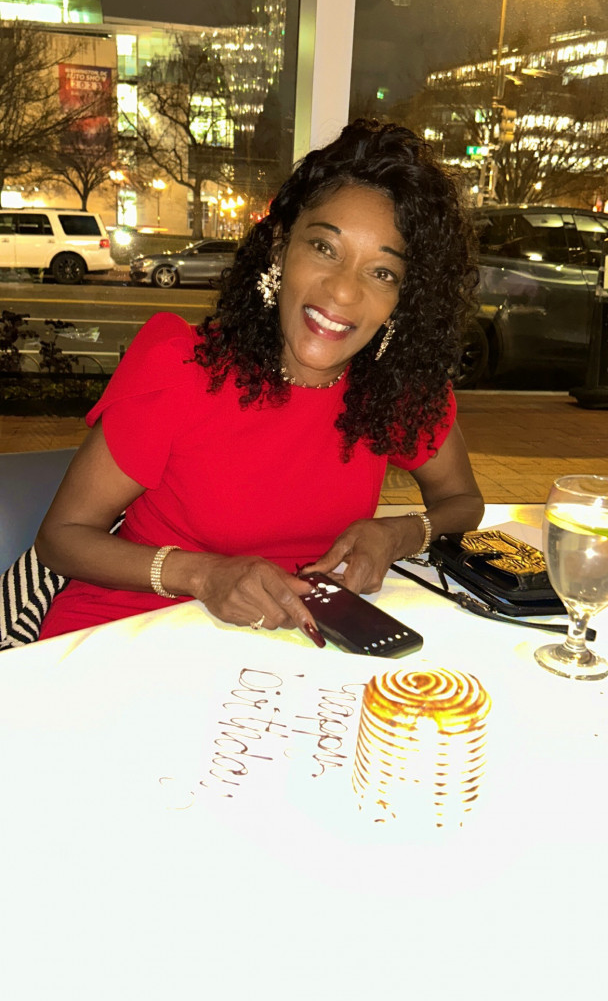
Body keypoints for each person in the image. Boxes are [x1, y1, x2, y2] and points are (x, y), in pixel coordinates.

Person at [36, 119, 484, 644]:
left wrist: (397, 533)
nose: (343, 292)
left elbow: (463, 501)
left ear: (402, 300)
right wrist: (203, 575)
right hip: (132, 629)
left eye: (382, 273)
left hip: (288, 646)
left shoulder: (395, 392)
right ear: (280, 248)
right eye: (324, 248)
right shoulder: (183, 368)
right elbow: (61, 538)